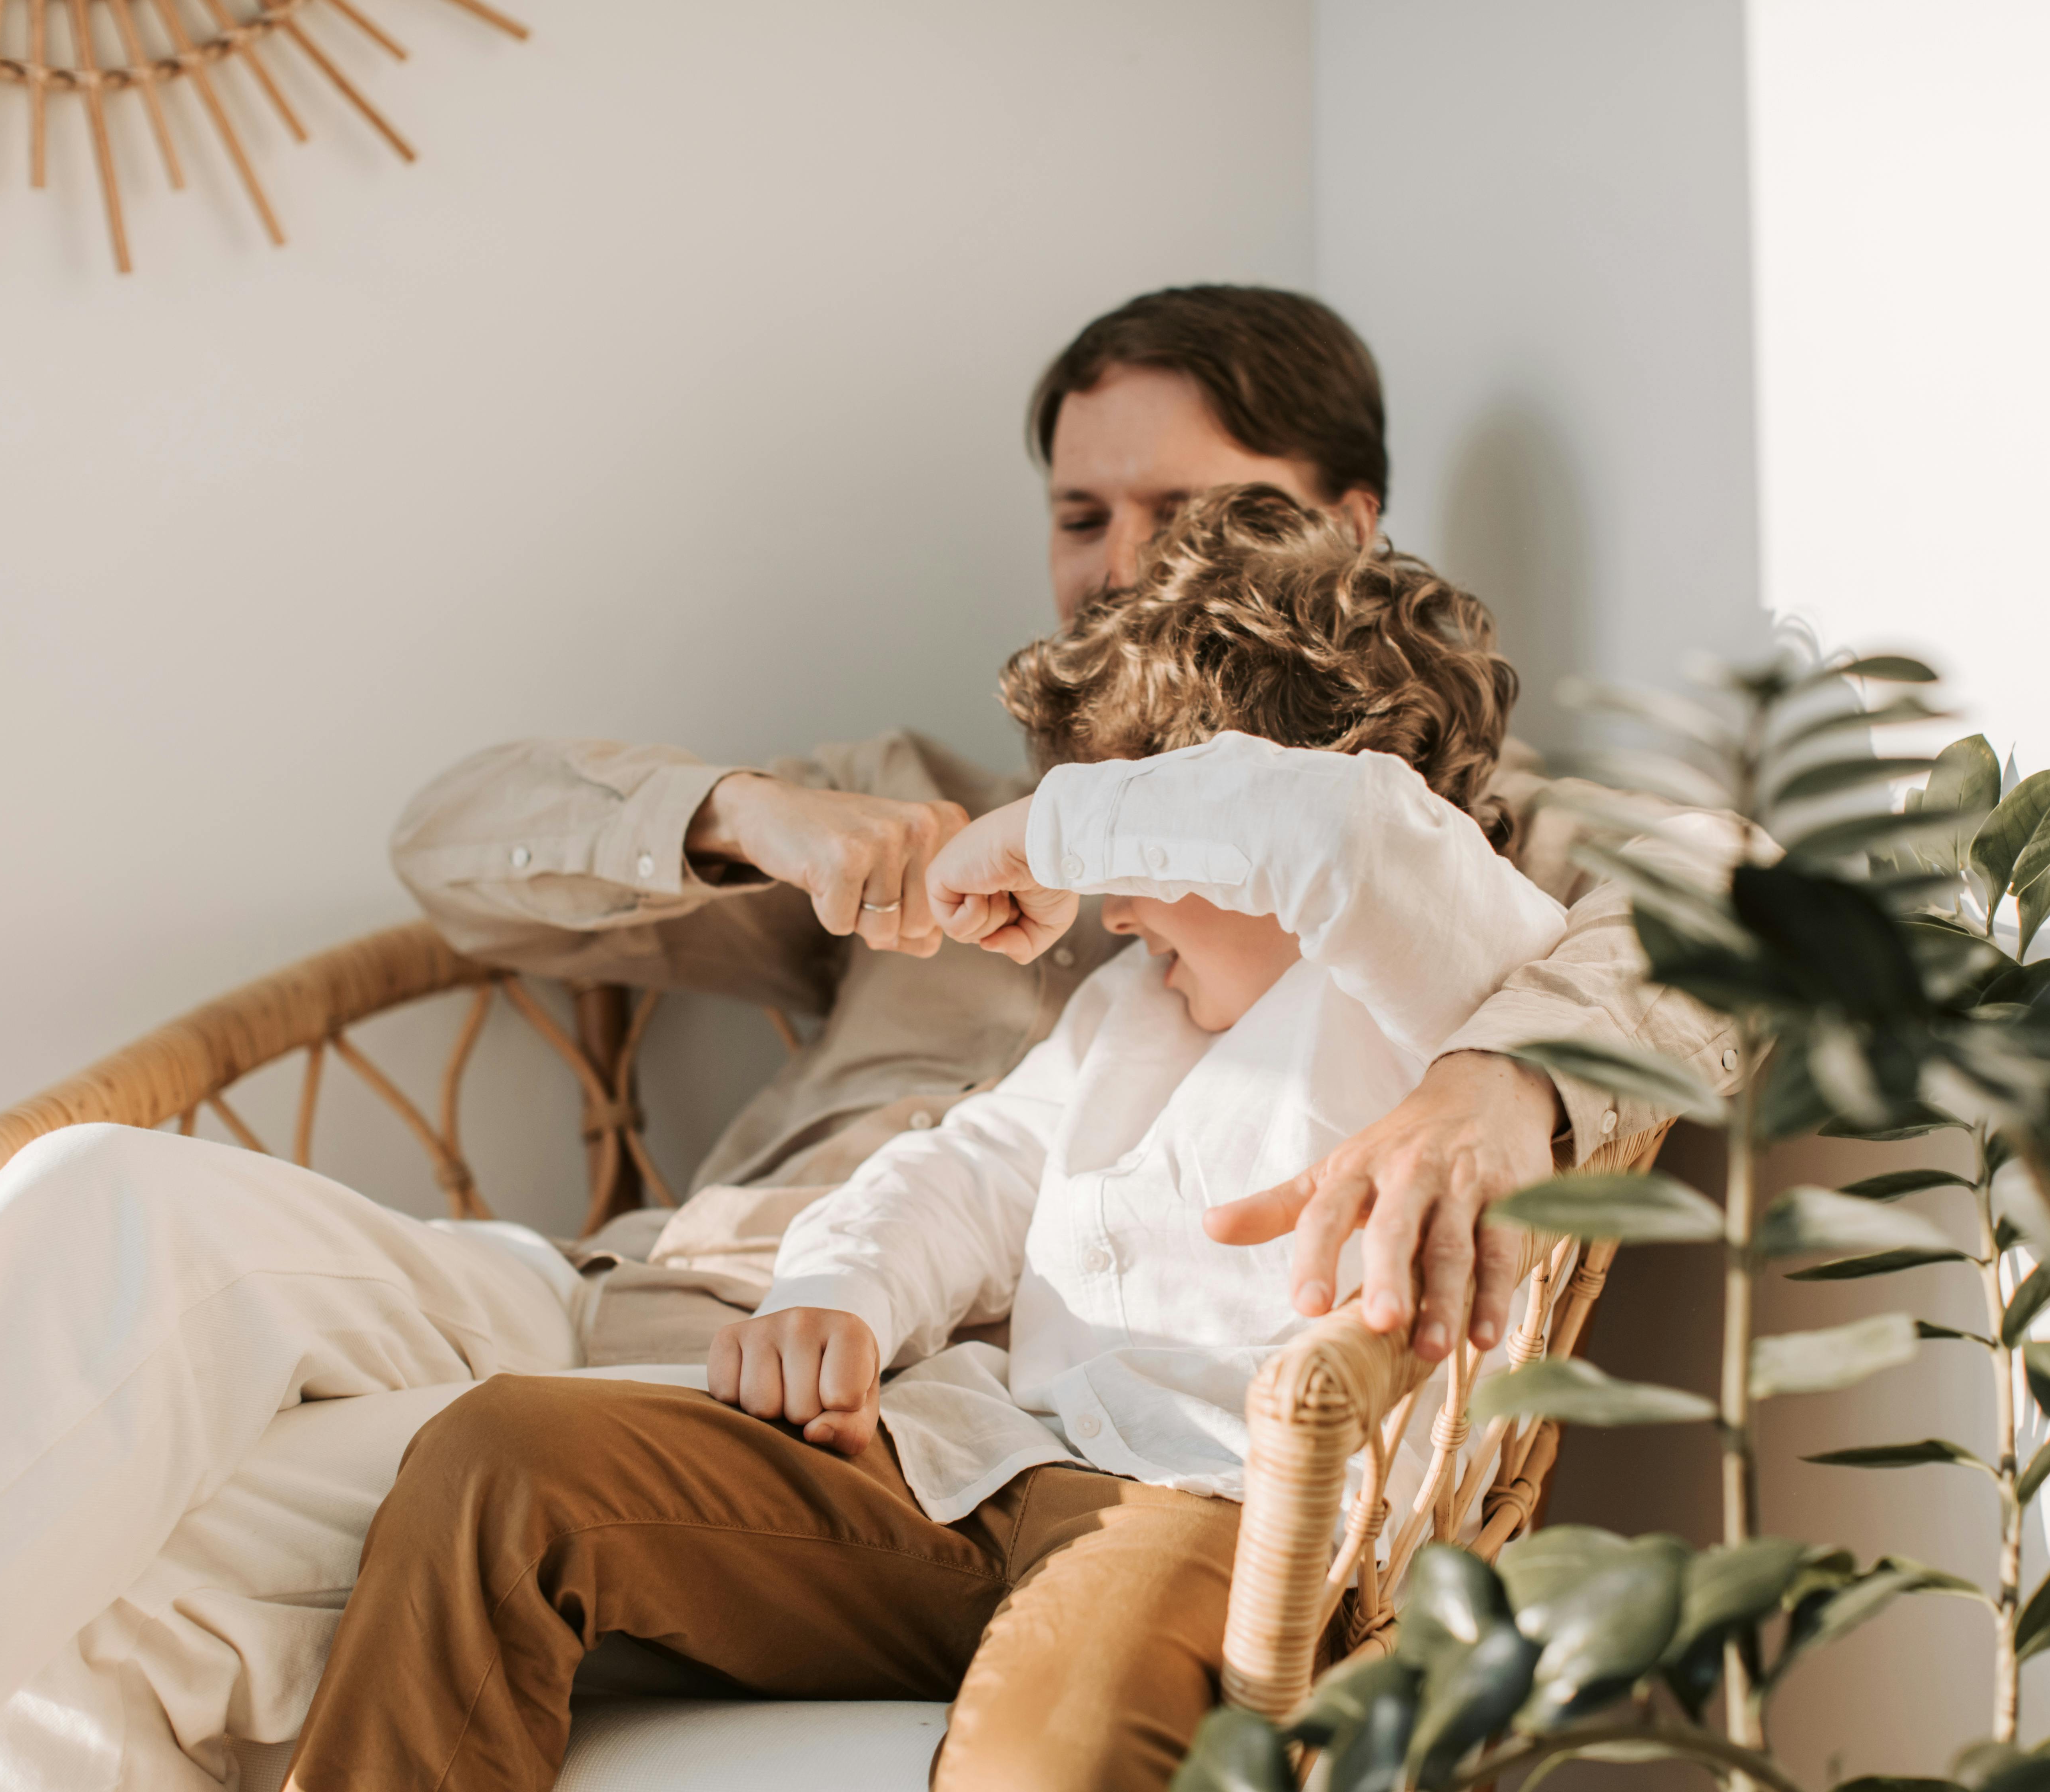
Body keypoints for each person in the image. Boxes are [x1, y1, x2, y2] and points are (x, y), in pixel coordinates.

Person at [0, 286, 1732, 1792]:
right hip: (637, 1320)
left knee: (86, 1574)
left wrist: (1500, 1077)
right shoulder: (966, 859)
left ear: (1344, 526)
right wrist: (762, 819)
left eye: (1189, 514)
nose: (1114, 560)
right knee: (97, 1204)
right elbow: (462, 849)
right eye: (1083, 515)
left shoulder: (1470, 868)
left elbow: (1699, 901)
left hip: (963, 1456)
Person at [282, 486, 1570, 1791]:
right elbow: (970, 1168)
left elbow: (1344, 828)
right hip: (975, 1460)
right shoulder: (1132, 1010)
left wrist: (1045, 832)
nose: (1111, 912)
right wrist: (836, 1296)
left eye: (1131, 844)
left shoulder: (1439, 971)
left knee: (1050, 1758)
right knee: (503, 1461)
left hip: (1213, 1514)